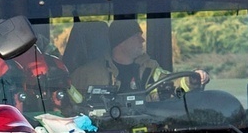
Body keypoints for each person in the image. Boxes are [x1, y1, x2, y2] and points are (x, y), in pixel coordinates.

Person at [72, 18, 206, 98]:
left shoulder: (149, 67)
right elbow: (68, 103)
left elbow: (170, 82)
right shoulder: (87, 73)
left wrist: (190, 80)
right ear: (121, 42)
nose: (142, 40)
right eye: (137, 36)